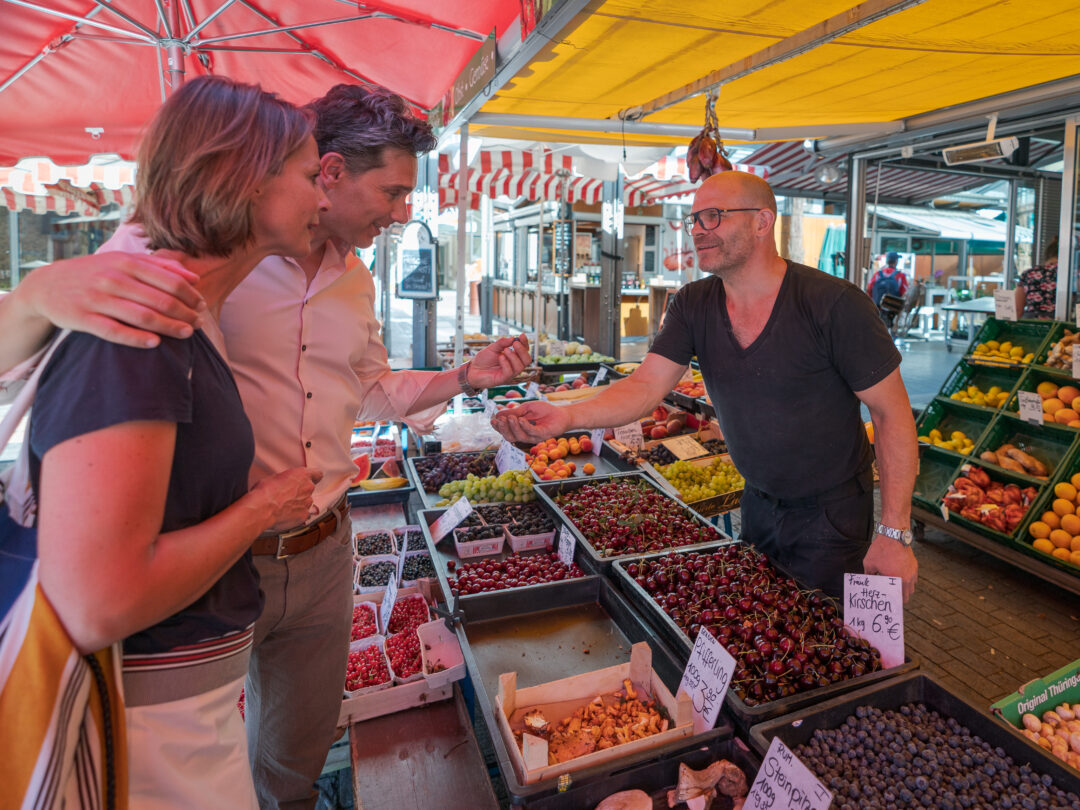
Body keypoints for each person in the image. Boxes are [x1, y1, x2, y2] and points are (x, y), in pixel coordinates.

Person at [2, 84, 531, 809]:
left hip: (320, 551)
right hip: (204, 581)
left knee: (288, 757)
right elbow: (99, 588)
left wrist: (464, 377)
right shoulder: (185, 283)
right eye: (393, 190)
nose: (403, 212)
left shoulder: (353, 283)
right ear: (325, 174)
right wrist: (34, 293)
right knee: (200, 755)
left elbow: (367, 389)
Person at [3, 76, 326, 808]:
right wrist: (262, 509)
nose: (324, 199)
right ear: (246, 179)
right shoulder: (143, 333)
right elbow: (98, 600)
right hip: (143, 730)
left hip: (176, 710)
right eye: (311, 176)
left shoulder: (179, 320)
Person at [493, 172, 919, 602]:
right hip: (757, 503)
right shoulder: (693, 304)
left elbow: (892, 415)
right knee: (765, 628)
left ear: (762, 221)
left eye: (713, 217)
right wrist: (567, 416)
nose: (698, 229)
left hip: (833, 515)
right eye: (694, 219)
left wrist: (895, 532)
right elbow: (644, 387)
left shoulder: (834, 304)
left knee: (832, 648)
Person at [1015, 239, 1059, 319]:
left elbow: (1017, 310)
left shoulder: (1028, 274)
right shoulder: (1071, 275)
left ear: (1047, 254)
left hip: (1033, 325)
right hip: (1063, 326)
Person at [867, 251, 910, 327]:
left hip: (878, 309)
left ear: (887, 261)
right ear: (896, 262)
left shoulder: (877, 274)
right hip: (893, 311)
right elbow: (905, 294)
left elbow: (869, 289)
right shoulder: (900, 276)